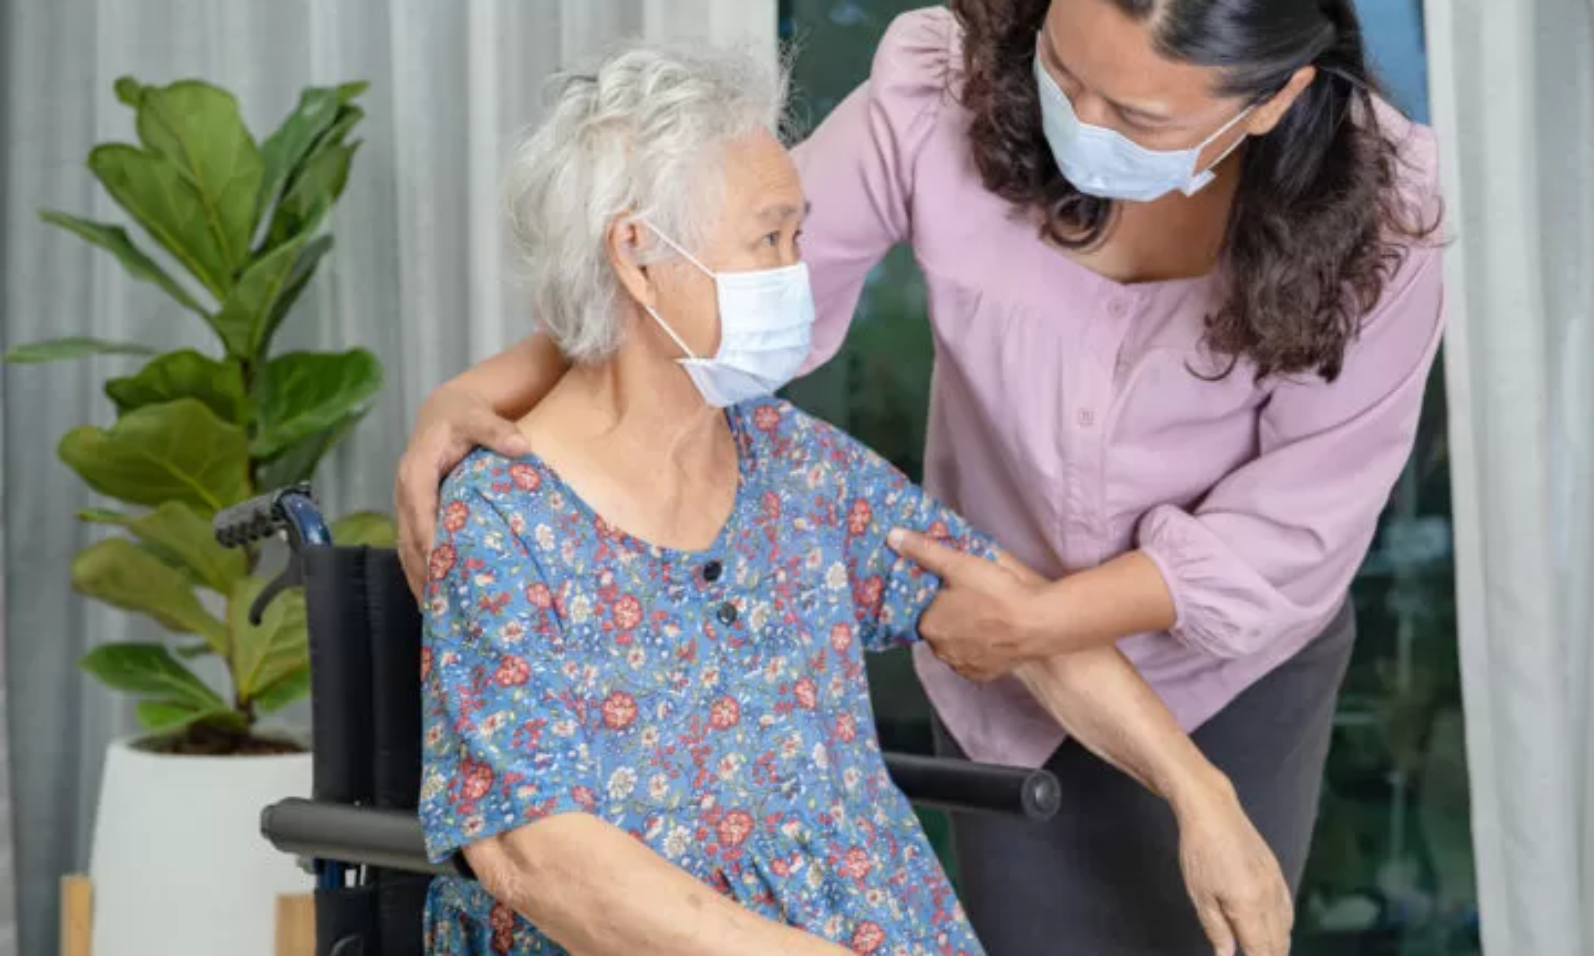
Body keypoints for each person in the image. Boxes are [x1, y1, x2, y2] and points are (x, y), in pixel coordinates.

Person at [401, 0, 1444, 952]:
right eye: (1062, 74)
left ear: (1269, 103)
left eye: (1131, 111)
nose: (1077, 120)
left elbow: (1245, 546)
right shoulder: (511, 518)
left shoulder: (797, 473)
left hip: (1222, 655)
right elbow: (536, 855)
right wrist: (471, 391)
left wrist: (1199, 792)